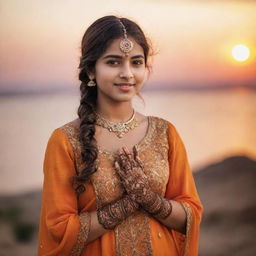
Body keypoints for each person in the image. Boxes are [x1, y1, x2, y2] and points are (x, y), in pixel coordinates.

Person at [37, 15, 203, 256]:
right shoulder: (66, 140)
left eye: (136, 62)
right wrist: (126, 205)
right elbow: (59, 229)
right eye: (114, 62)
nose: (127, 73)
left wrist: (150, 199)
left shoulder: (165, 133)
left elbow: (191, 215)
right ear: (91, 69)